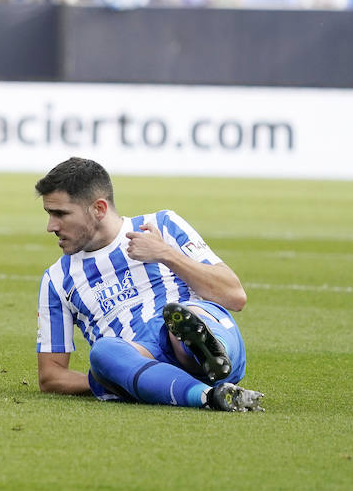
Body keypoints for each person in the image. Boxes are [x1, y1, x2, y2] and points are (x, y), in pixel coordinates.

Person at [34, 157, 264, 412]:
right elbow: (51, 376)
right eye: (49, 214)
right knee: (104, 352)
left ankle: (203, 352)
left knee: (183, 319)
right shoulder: (56, 279)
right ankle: (210, 396)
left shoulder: (163, 226)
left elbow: (234, 296)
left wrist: (167, 254)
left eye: (60, 214)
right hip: (141, 360)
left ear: (98, 209)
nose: (51, 226)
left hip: (199, 329)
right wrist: (109, 377)